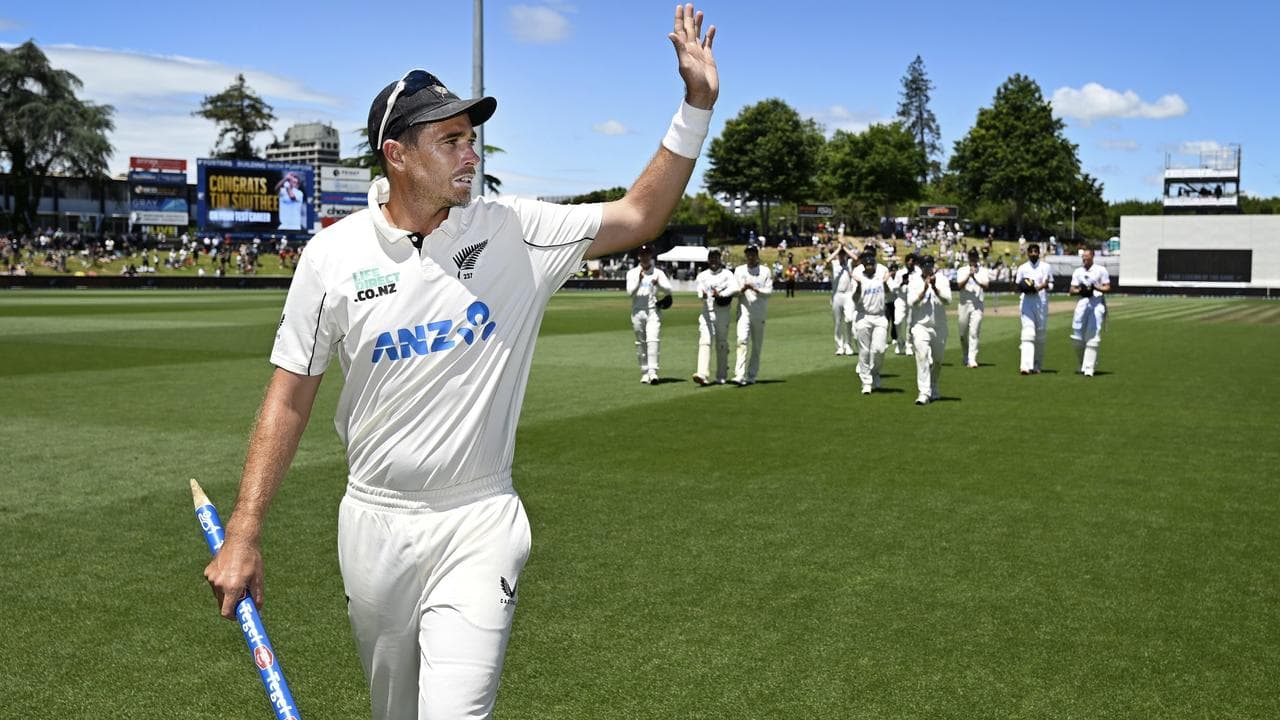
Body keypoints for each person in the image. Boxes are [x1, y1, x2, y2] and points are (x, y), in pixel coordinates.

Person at [202, 7, 719, 720]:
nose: (470, 154)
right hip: (373, 523)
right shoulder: (332, 256)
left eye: (471, 139)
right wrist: (244, 532)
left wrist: (696, 106)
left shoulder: (515, 230)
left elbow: (639, 215)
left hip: (480, 517)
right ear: (397, 155)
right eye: (449, 141)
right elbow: (288, 399)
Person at [626, 245, 673, 384]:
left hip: (653, 311)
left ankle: (653, 372)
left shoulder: (658, 273)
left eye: (647, 254)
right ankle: (645, 371)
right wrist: (639, 280)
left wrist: (659, 284)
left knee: (653, 340)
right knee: (641, 343)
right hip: (637, 312)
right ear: (638, 256)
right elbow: (630, 293)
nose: (645, 257)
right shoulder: (632, 273)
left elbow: (669, 290)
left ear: (651, 256)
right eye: (642, 254)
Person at [909, 254, 951, 405]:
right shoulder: (914, 280)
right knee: (922, 357)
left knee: (938, 360)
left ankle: (933, 385)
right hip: (920, 326)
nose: (928, 267)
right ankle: (924, 393)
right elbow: (911, 302)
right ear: (920, 266)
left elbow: (948, 300)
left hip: (939, 327)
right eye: (925, 265)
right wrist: (925, 289)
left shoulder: (942, 279)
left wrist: (935, 288)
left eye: (930, 264)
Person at [693, 247, 738, 385]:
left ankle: (722, 374)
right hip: (707, 312)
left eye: (716, 257)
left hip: (722, 312)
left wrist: (722, 295)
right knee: (705, 341)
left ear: (720, 259)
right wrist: (703, 295)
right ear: (708, 259)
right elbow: (699, 289)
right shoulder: (702, 275)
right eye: (711, 257)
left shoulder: (727, 274)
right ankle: (702, 374)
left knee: (721, 343)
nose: (714, 260)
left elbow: (735, 288)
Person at [851, 249, 890, 394]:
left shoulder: (880, 277)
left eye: (871, 265)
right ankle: (866, 382)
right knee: (864, 351)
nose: (869, 267)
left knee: (879, 349)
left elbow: (889, 293)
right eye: (866, 265)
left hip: (880, 317)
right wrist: (859, 287)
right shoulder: (858, 278)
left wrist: (886, 282)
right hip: (863, 316)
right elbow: (854, 299)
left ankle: (875, 372)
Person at [732, 244, 772, 385]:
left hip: (759, 313)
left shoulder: (765, 271)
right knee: (741, 341)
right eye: (748, 254)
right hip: (743, 312)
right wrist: (742, 289)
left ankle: (752, 375)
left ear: (757, 255)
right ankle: (739, 374)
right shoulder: (739, 270)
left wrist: (756, 289)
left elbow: (768, 292)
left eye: (753, 254)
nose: (750, 257)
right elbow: (734, 291)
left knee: (756, 345)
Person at [1069, 247, 1111, 377]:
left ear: (1092, 256)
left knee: (1092, 335)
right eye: (1083, 257)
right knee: (1077, 337)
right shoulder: (1078, 271)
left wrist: (1095, 287)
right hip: (1082, 303)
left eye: (1087, 257)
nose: (1085, 259)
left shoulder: (1100, 270)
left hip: (1096, 304)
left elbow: (1107, 287)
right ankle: (1083, 362)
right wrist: (1081, 291)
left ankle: (1089, 367)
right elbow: (1071, 290)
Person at [1014, 242, 1053, 374]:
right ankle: (1025, 366)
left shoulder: (1046, 267)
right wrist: (1026, 288)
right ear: (1028, 253)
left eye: (1036, 251)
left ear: (1039, 253)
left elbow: (1051, 284)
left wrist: (1042, 287)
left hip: (1041, 303)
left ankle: (1037, 364)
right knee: (1028, 333)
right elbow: (1017, 286)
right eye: (1031, 252)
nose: (1034, 254)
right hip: (1026, 302)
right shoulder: (1022, 268)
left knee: (1040, 335)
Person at [954, 247, 990, 368]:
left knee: (974, 331)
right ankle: (965, 355)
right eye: (971, 257)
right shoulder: (962, 270)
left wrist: (974, 277)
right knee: (963, 333)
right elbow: (959, 285)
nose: (973, 259)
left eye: (975, 257)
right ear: (968, 258)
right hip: (964, 304)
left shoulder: (983, 271)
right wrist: (969, 275)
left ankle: (972, 359)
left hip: (977, 304)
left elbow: (986, 285)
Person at [887, 253, 918, 355]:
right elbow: (893, 288)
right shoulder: (900, 273)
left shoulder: (918, 272)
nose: (911, 263)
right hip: (901, 299)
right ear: (906, 262)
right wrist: (902, 283)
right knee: (898, 321)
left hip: (912, 300)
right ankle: (900, 342)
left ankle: (909, 345)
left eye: (913, 261)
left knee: (910, 324)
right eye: (909, 261)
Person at [830, 246, 855, 355]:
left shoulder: (849, 264)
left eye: (843, 254)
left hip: (848, 294)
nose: (842, 256)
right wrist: (838, 249)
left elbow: (857, 258)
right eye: (840, 255)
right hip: (837, 295)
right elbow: (826, 261)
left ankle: (848, 345)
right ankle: (840, 346)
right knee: (838, 322)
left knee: (849, 319)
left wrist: (844, 248)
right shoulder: (834, 264)